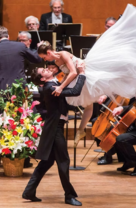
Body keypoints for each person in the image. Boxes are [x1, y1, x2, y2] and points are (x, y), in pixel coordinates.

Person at [37, 4, 136, 147]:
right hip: (84, 75)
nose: (44, 60)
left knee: (115, 49)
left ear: (48, 53)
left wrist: (61, 87)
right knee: (88, 103)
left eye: (44, 57)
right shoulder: (55, 60)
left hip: (89, 69)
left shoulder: (63, 54)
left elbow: (74, 72)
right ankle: (80, 130)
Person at [22, 63, 85, 206]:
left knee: (47, 162)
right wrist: (81, 74)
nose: (47, 69)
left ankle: (29, 191)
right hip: (55, 128)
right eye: (43, 70)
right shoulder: (51, 87)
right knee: (63, 161)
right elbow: (75, 91)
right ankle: (69, 196)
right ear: (43, 79)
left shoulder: (55, 84)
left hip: (55, 126)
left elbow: (64, 100)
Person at [0, 25, 42, 127]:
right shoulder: (21, 46)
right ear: (8, 36)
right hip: (20, 88)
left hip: (0, 88)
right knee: (22, 115)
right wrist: (39, 48)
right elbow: (37, 59)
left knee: (2, 117)